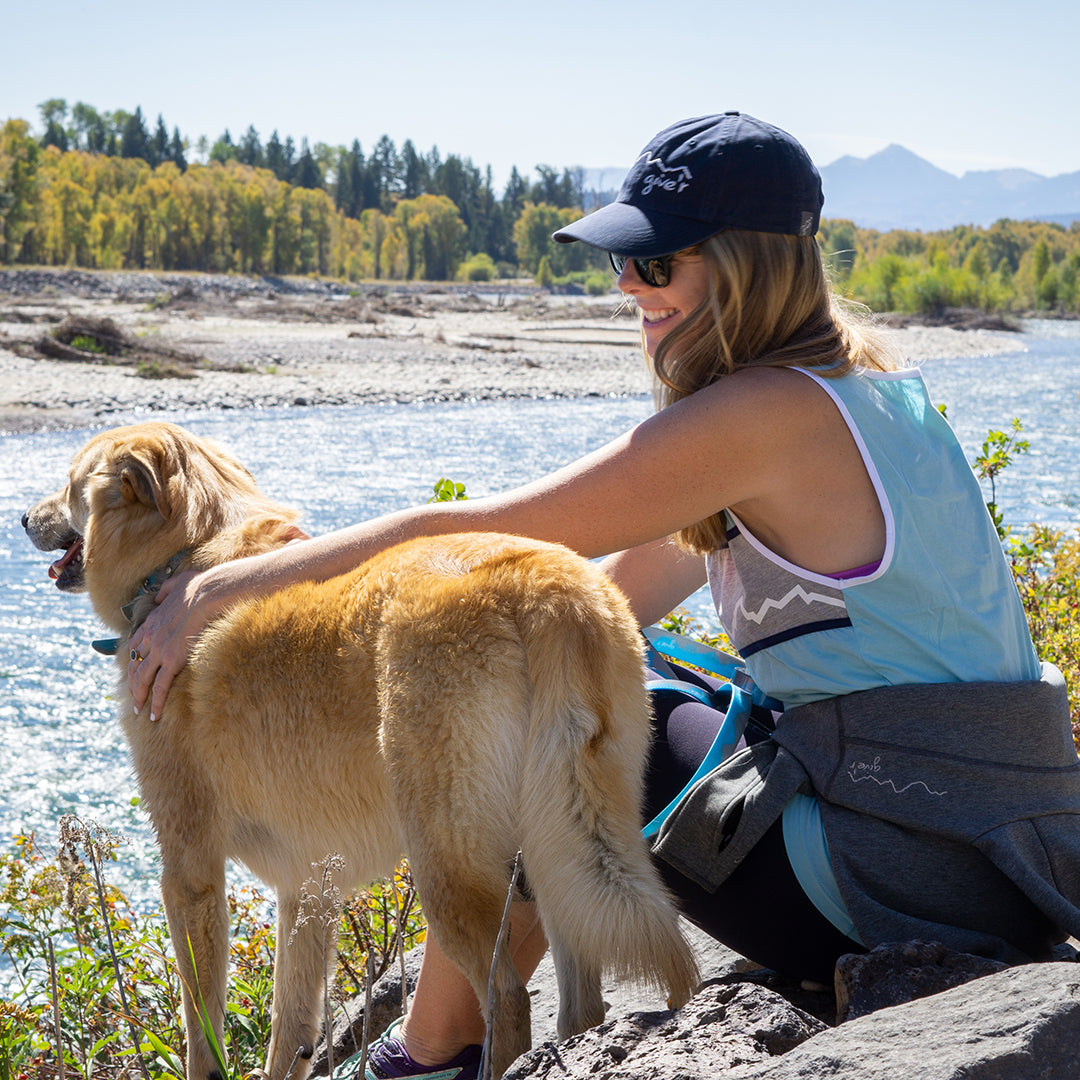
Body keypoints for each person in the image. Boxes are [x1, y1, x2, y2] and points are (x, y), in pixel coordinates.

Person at [127, 113, 1080, 1080]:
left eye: (656, 264)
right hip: (994, 848)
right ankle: (459, 1031)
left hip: (899, 875)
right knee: (555, 665)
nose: (628, 287)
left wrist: (220, 587)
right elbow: (613, 598)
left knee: (542, 709)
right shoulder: (865, 388)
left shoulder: (763, 416)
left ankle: (434, 1050)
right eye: (624, 264)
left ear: (746, 266)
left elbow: (486, 530)